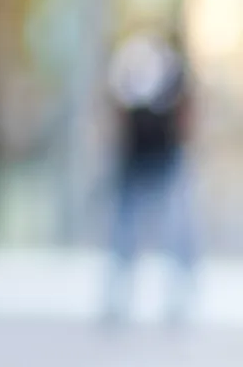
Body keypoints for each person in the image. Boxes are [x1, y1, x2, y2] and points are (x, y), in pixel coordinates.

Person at [102, 29, 198, 325]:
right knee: (125, 233)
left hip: (166, 157)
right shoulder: (128, 67)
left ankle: (178, 298)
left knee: (177, 230)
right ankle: (117, 298)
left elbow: (187, 111)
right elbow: (115, 111)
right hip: (135, 158)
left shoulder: (172, 70)